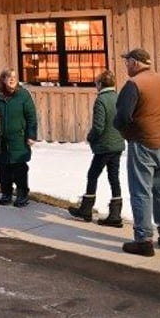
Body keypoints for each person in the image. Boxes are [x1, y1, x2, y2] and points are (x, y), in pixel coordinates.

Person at [113, 48, 160, 257]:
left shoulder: (134, 85)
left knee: (141, 192)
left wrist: (128, 133)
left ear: (135, 62)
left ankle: (143, 240)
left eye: (127, 62)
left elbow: (122, 117)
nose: (126, 66)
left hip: (143, 143)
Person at [68, 70, 125, 225]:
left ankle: (86, 210)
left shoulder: (101, 100)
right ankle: (115, 214)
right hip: (117, 144)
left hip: (104, 146)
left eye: (96, 83)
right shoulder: (119, 98)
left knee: (92, 175)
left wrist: (90, 137)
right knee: (114, 178)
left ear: (100, 84)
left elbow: (99, 126)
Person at [0, 68, 38, 207]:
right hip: (0, 138)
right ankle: (6, 192)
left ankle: (22, 194)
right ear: (3, 80)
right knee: (3, 167)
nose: (12, 79)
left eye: (14, 76)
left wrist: (31, 135)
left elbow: (31, 117)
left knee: (19, 167)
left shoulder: (23, 95)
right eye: (8, 76)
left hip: (18, 138)